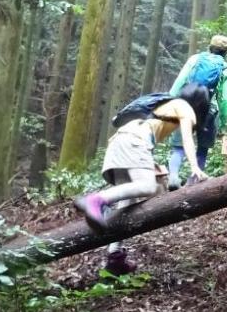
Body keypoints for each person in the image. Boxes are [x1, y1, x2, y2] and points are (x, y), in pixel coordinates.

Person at [74, 84, 211, 274]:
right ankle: (96, 200)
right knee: (147, 186)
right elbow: (188, 140)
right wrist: (195, 168)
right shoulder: (186, 108)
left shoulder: (168, 104)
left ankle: (115, 257)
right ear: (200, 103)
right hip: (134, 140)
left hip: (120, 140)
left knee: (127, 204)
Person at [167, 34, 227, 188]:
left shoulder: (195, 59)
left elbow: (180, 81)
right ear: (226, 52)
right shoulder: (226, 69)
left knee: (178, 146)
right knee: (202, 148)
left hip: (186, 103)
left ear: (210, 47)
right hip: (209, 110)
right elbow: (225, 99)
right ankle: (193, 183)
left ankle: (173, 176)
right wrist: (223, 121)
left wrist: (171, 100)